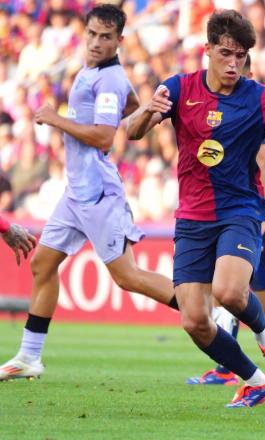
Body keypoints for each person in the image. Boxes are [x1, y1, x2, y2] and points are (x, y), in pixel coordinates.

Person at [126, 10, 265, 408]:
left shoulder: (260, 96)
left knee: (229, 292)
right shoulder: (179, 87)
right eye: (226, 53)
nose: (233, 63)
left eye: (241, 56)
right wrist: (147, 109)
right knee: (194, 319)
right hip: (192, 217)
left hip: (240, 211)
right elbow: (132, 132)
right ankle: (255, 380)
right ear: (207, 49)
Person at [0, 4, 182, 382]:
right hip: (76, 192)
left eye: (106, 37)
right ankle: (30, 356)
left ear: (120, 40)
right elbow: (130, 105)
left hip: (98, 193)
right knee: (42, 264)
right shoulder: (96, 71)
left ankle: (205, 310)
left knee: (127, 277)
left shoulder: (110, 78)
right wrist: (138, 112)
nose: (97, 42)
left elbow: (102, 136)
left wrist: (56, 119)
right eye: (92, 35)